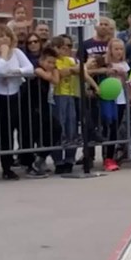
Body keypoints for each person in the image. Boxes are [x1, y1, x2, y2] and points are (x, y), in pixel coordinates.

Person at [0, 24, 35, 182]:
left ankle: (7, 167)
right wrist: (4, 55)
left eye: (7, 35)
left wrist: (16, 72)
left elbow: (29, 68)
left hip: (12, 95)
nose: (4, 39)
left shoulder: (17, 52)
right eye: (1, 36)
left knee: (8, 133)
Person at [22, 47, 63, 177]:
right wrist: (52, 72)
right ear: (41, 60)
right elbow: (46, 76)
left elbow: (55, 80)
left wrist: (54, 70)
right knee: (31, 134)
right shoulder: (36, 68)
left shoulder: (51, 70)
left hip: (43, 106)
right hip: (30, 105)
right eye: (49, 62)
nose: (51, 65)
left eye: (53, 63)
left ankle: (40, 157)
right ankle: (29, 165)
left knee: (56, 129)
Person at [52, 35, 81, 173]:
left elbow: (80, 69)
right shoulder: (53, 61)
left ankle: (70, 159)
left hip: (70, 94)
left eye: (68, 46)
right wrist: (71, 70)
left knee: (71, 126)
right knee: (59, 127)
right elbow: (60, 72)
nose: (66, 50)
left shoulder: (70, 60)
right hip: (57, 95)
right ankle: (58, 160)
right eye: (62, 47)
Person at [102, 38, 131, 171]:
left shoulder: (125, 65)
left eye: (121, 49)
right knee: (109, 127)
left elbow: (127, 81)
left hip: (120, 99)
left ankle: (111, 156)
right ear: (110, 50)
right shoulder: (105, 63)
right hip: (108, 99)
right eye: (116, 49)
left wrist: (123, 75)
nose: (119, 52)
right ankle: (106, 157)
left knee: (116, 128)